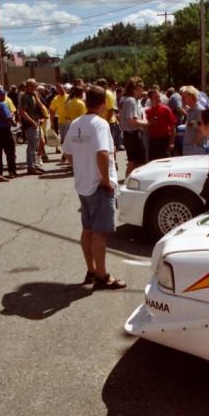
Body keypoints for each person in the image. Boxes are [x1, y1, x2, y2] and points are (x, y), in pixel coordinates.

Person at [62, 86, 126, 290]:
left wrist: (81, 167)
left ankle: (91, 269)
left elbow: (68, 153)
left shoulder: (76, 123)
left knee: (88, 229)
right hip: (98, 185)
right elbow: (102, 153)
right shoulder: (101, 124)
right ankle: (102, 275)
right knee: (99, 233)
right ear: (104, 103)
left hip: (83, 184)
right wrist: (106, 180)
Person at [120, 77, 148, 176]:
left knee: (133, 161)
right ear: (135, 89)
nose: (143, 90)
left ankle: (128, 182)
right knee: (136, 162)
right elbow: (131, 120)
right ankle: (130, 183)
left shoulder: (125, 99)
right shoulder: (131, 100)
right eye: (141, 88)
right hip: (133, 135)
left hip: (129, 135)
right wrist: (146, 123)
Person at [19, 78, 46, 174]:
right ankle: (30, 167)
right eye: (34, 86)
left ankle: (33, 165)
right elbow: (22, 112)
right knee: (31, 147)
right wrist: (32, 122)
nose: (35, 88)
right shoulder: (25, 97)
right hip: (31, 125)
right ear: (29, 86)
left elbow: (41, 107)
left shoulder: (33, 96)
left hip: (36, 123)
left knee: (35, 146)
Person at [0, 86, 17, 177]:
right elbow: (8, 117)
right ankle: (12, 171)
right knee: (10, 151)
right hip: (5, 130)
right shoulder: (2, 104)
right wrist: (14, 123)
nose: (4, 96)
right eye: (2, 94)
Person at [145, 88, 177, 159]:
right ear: (150, 99)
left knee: (166, 162)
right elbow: (145, 128)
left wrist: (172, 142)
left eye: (159, 96)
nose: (158, 98)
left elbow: (173, 126)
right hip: (153, 141)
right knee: (153, 162)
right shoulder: (147, 111)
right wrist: (149, 123)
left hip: (165, 140)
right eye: (156, 97)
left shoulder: (166, 109)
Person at [181, 86, 207, 155]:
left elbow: (201, 130)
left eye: (184, 97)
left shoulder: (199, 111)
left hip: (195, 148)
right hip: (189, 147)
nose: (182, 99)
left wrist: (194, 145)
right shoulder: (190, 110)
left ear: (192, 97)